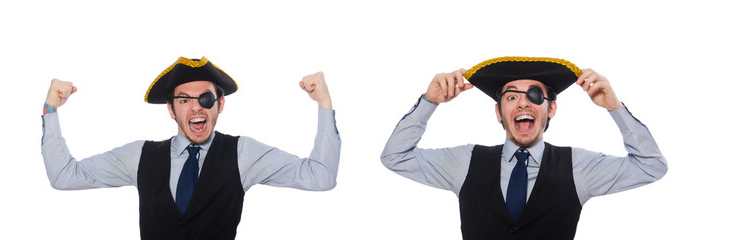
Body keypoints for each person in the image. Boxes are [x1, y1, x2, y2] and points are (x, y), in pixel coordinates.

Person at [41, 57, 340, 240]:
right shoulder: (139, 156)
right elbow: (65, 176)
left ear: (220, 104)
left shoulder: (243, 154)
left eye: (206, 99)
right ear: (171, 109)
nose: (196, 107)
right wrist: (51, 108)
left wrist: (324, 103)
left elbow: (320, 176)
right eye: (184, 100)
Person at [380, 56, 667, 239]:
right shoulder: (465, 161)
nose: (523, 103)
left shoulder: (578, 167)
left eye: (534, 95)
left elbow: (650, 166)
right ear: (498, 112)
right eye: (511, 97)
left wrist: (614, 108)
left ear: (551, 108)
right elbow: (396, 156)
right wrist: (429, 103)